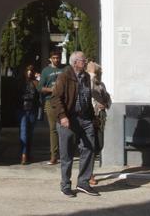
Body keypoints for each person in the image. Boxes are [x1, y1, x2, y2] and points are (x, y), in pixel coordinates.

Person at [50, 51, 99, 197]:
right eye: (84, 60)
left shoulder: (85, 77)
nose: (86, 62)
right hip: (69, 119)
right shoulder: (64, 76)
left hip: (85, 119)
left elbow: (86, 97)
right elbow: (55, 98)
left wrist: (92, 117)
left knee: (89, 148)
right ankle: (65, 185)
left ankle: (83, 182)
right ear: (75, 62)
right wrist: (63, 116)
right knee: (67, 154)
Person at [38, 49, 66, 165]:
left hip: (64, 102)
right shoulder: (46, 71)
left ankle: (65, 154)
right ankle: (54, 156)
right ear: (50, 59)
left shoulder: (65, 69)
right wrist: (51, 89)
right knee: (53, 129)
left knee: (65, 129)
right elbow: (40, 88)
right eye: (54, 58)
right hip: (50, 102)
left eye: (58, 57)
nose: (56, 60)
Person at [86, 60, 111, 186]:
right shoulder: (87, 84)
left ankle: (87, 171)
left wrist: (105, 104)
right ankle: (88, 174)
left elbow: (108, 99)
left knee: (99, 145)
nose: (97, 75)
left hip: (101, 117)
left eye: (98, 72)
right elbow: (88, 91)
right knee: (91, 145)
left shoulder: (102, 85)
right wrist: (90, 75)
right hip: (91, 116)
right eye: (95, 72)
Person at [18, 64, 40, 165]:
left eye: (31, 70)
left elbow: (40, 93)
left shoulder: (35, 82)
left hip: (32, 110)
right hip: (23, 109)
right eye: (27, 70)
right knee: (23, 132)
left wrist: (39, 79)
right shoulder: (20, 82)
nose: (29, 72)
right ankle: (23, 155)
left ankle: (28, 153)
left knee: (30, 133)